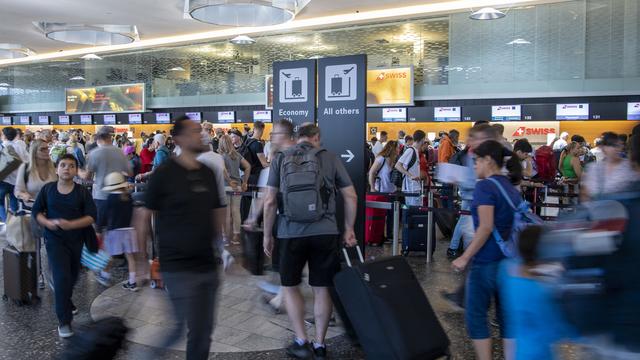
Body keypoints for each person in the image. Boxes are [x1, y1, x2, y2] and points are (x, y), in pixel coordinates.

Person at [263, 123, 358, 359]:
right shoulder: (330, 157)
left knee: (291, 286)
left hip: (289, 232)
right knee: (321, 288)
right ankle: (319, 344)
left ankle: (301, 341)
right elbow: (350, 195)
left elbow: (270, 201)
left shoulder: (280, 158)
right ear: (316, 137)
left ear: (298, 138)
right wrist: (348, 228)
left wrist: (267, 234)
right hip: (325, 232)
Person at [143, 116, 225, 359]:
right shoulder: (165, 173)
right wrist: (139, 260)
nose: (200, 135)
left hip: (207, 263)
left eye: (200, 131)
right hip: (176, 264)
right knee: (182, 326)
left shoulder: (208, 172)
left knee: (203, 330)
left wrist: (226, 247)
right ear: (178, 139)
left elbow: (217, 211)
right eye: (194, 132)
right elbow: (143, 216)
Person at [451, 140, 523, 360]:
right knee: (506, 317)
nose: (474, 167)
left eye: (476, 161)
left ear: (488, 160)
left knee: (475, 315)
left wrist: (465, 256)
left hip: (486, 261)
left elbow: (485, 226)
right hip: (509, 261)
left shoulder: (486, 186)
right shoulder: (510, 186)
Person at [32, 154, 97, 338]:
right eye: (63, 165)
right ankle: (64, 321)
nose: (66, 169)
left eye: (71, 166)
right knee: (62, 278)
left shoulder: (82, 192)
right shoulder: (48, 190)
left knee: (72, 277)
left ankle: (65, 299)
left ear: (76, 170)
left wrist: (71, 225)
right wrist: (47, 222)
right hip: (54, 241)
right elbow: (37, 211)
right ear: (57, 168)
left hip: (76, 241)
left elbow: (92, 216)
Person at [500, 226, 576, 360]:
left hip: (518, 350)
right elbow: (555, 330)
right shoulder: (539, 292)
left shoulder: (507, 272)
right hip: (539, 354)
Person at [445, 124, 499, 260]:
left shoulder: (472, 153)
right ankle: (456, 248)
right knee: (465, 222)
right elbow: (471, 178)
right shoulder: (473, 155)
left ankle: (456, 247)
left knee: (464, 222)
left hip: (471, 194)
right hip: (471, 195)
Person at [14, 139, 58, 289]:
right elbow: (18, 190)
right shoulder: (25, 168)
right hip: (33, 211)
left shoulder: (53, 168)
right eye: (43, 149)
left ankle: (53, 275)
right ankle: (38, 274)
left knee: (53, 245)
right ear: (35, 152)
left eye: (47, 148)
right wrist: (25, 195)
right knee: (36, 246)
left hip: (52, 211)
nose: (47, 152)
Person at [84, 126, 131, 233]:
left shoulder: (94, 153)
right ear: (110, 137)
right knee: (117, 228)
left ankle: (101, 248)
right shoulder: (120, 152)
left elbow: (87, 177)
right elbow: (130, 172)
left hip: (101, 196)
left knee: (99, 229)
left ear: (98, 139)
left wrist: (77, 171)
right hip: (119, 195)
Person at [98, 172, 139, 291]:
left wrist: (99, 229)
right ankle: (132, 282)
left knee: (110, 255)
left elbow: (102, 216)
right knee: (130, 257)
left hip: (115, 231)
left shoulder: (110, 199)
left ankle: (104, 275)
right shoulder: (128, 197)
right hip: (129, 231)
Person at [582, 132, 638, 200]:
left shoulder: (629, 166)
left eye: (618, 145)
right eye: (612, 145)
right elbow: (585, 194)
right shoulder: (593, 168)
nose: (616, 149)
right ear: (603, 147)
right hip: (597, 209)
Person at [218, 134, 251, 244]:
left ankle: (226, 237)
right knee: (236, 211)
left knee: (226, 213)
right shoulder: (237, 155)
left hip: (225, 186)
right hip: (237, 186)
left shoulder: (220, 156)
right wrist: (245, 182)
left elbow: (223, 169)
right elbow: (248, 166)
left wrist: (229, 180)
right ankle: (236, 236)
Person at [238, 121, 269, 222]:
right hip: (256, 176)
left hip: (246, 175)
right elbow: (264, 164)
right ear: (262, 129)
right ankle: (258, 221)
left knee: (246, 199)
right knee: (260, 198)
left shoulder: (246, 141)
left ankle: (243, 220)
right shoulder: (258, 144)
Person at [0, 127, 30, 222]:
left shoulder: (2, 147)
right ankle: (15, 220)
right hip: (17, 180)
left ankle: (5, 220)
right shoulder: (19, 146)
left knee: (0, 201)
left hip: (3, 180)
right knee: (14, 200)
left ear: (4, 136)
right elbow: (28, 161)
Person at [395, 130, 426, 207]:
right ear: (422, 139)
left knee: (414, 211)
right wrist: (410, 175)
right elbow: (398, 165)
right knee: (411, 211)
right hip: (410, 187)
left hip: (414, 187)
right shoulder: (410, 150)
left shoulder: (415, 151)